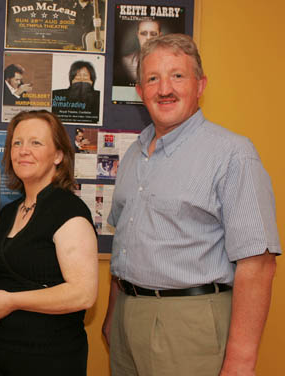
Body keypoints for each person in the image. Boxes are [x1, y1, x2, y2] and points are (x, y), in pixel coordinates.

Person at [102, 33, 281, 375]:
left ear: (200, 85)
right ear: (140, 92)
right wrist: (114, 317)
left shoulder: (232, 154)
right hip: (127, 318)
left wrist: (241, 362)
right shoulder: (133, 154)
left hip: (189, 321)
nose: (164, 88)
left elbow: (258, 264)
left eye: (177, 76)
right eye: (152, 78)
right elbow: (125, 242)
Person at [0, 110, 98, 375]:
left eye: (36, 143)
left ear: (58, 156)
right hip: (4, 352)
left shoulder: (68, 211)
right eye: (17, 143)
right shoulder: (10, 212)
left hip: (51, 355)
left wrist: (11, 301)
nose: (23, 151)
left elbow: (83, 294)